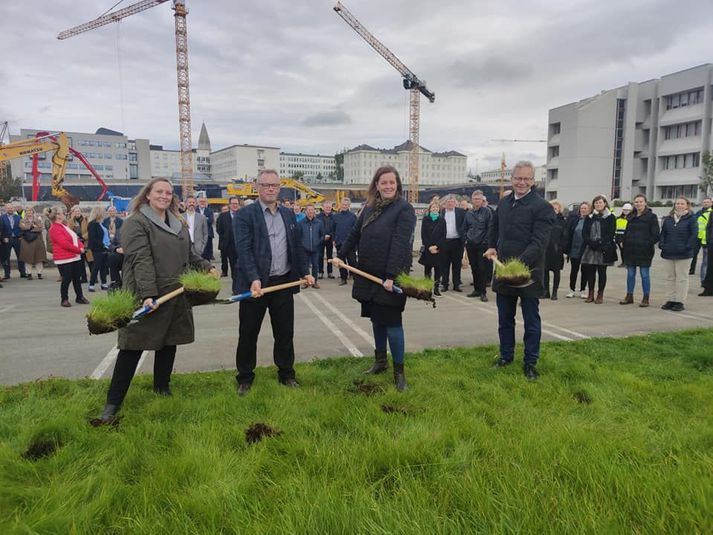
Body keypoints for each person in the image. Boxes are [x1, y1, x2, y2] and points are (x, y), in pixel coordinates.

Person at [95, 178, 217, 424]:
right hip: (145, 293)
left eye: (169, 193)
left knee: (169, 342)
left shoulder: (179, 223)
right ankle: (112, 403)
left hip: (175, 292)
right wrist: (148, 294)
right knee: (132, 347)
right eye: (159, 191)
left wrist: (206, 266)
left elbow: (190, 254)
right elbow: (141, 260)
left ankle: (162, 388)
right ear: (148, 195)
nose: (164, 196)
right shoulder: (136, 222)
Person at [233, 169, 314, 396]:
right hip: (255, 286)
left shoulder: (289, 215)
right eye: (266, 184)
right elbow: (244, 250)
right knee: (248, 333)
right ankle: (245, 377)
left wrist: (305, 272)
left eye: (275, 185)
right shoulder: (244, 215)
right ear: (257, 187)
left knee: (285, 332)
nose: (270, 188)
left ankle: (286, 374)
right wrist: (254, 278)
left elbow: (296, 247)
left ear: (279, 188)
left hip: (282, 284)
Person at [336, 166, 416, 391]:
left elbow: (401, 244)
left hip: (390, 276)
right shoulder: (369, 207)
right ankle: (380, 361)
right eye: (384, 182)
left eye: (392, 182)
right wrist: (340, 255)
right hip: (368, 274)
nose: (388, 186)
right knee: (376, 319)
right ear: (377, 185)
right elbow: (354, 233)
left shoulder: (404, 209)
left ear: (397, 185)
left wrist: (391, 276)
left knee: (392, 322)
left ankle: (399, 372)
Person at [485, 161, 554, 380]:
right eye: (518, 178)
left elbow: (539, 242)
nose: (522, 182)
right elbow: (494, 227)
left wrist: (517, 266)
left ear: (533, 181)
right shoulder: (504, 203)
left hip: (528, 274)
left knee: (531, 320)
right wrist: (491, 245)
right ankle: (506, 357)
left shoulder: (543, 207)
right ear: (511, 179)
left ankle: (530, 362)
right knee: (505, 319)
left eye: (527, 179)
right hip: (504, 272)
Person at [620, 194, 660, 307]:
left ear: (645, 203)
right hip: (631, 250)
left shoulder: (651, 217)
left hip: (644, 250)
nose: (638, 204)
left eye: (640, 202)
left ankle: (646, 297)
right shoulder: (631, 216)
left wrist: (647, 244)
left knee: (644, 274)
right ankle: (629, 295)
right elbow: (626, 232)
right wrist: (624, 241)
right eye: (636, 202)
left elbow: (656, 235)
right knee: (630, 274)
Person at [659, 197, 697, 311]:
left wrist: (687, 247)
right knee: (670, 278)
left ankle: (679, 301)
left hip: (684, 254)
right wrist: (662, 244)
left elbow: (694, 234)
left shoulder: (691, 219)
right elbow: (663, 233)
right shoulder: (669, 219)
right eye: (677, 203)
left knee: (682, 278)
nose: (679, 205)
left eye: (682, 203)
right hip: (668, 253)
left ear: (687, 205)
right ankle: (671, 299)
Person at [47, 206, 90, 307]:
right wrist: (79, 250)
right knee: (66, 279)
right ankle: (64, 299)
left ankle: (79, 297)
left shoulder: (63, 226)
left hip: (74, 256)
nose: (63, 215)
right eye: (61, 213)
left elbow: (76, 238)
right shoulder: (54, 228)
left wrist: (81, 246)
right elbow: (64, 244)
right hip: (64, 258)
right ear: (56, 216)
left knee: (76, 278)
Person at [581, 195, 616, 304]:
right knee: (590, 272)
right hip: (590, 248)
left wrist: (600, 242)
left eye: (600, 202)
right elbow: (584, 232)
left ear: (605, 203)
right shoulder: (589, 217)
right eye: (596, 203)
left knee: (602, 272)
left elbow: (610, 233)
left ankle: (600, 294)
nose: (598, 204)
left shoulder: (610, 217)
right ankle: (590, 293)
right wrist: (591, 242)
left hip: (603, 248)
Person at [462, 190, 492, 301]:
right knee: (474, 268)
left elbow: (490, 228)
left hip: (482, 245)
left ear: (482, 200)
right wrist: (465, 239)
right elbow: (464, 228)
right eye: (475, 199)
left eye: (479, 199)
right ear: (472, 200)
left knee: (482, 268)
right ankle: (476, 289)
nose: (477, 201)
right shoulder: (468, 213)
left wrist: (486, 241)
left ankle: (483, 292)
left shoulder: (487, 212)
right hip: (471, 245)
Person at [419, 199, 446, 296]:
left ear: (439, 209)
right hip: (428, 248)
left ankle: (436, 288)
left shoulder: (442, 220)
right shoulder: (426, 219)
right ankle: (427, 288)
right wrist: (429, 246)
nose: (435, 208)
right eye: (433, 207)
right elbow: (423, 234)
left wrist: (437, 246)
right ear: (430, 209)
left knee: (438, 270)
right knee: (427, 270)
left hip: (438, 249)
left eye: (437, 207)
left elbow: (444, 235)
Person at [564, 201, 591, 298]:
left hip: (585, 250)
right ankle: (571, 289)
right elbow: (569, 233)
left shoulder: (590, 220)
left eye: (585, 208)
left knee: (585, 271)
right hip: (574, 249)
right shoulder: (575, 220)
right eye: (582, 208)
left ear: (589, 210)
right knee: (574, 270)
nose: (583, 210)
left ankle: (583, 290)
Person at [440, 195, 466, 292]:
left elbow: (464, 225)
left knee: (457, 264)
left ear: (455, 203)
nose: (450, 203)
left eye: (452, 201)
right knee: (444, 264)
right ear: (445, 203)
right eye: (448, 202)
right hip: (444, 241)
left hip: (457, 241)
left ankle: (456, 284)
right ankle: (444, 284)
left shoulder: (460, 212)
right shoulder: (441, 212)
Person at [543, 200, 566, 300]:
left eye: (555, 208)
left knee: (556, 272)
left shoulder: (563, 221)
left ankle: (554, 292)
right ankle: (546, 292)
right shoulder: (545, 220)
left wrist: (561, 247)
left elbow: (565, 236)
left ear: (559, 209)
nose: (553, 210)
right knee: (545, 271)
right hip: (546, 249)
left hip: (557, 250)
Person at [333, 197, 357, 286]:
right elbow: (333, 229)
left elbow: (356, 230)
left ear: (349, 206)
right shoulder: (336, 216)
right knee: (341, 262)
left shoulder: (353, 216)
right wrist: (334, 239)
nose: (344, 206)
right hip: (339, 242)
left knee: (352, 261)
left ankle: (356, 278)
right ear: (340, 205)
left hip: (350, 244)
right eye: (343, 204)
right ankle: (343, 278)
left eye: (346, 205)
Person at [18, 206, 47, 280]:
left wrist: (30, 228)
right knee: (27, 258)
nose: (29, 212)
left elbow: (41, 228)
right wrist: (32, 226)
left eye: (30, 211)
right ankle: (29, 274)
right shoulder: (22, 220)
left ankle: (39, 273)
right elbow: (22, 227)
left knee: (39, 257)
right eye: (27, 211)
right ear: (25, 212)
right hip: (27, 241)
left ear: (33, 212)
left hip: (38, 241)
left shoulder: (38, 219)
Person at [299, 204, 324, 288]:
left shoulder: (319, 223)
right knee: (304, 266)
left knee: (315, 265)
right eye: (309, 210)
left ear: (314, 211)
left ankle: (314, 282)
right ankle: (306, 282)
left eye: (312, 210)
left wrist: (318, 242)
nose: (310, 211)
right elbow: (298, 236)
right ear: (305, 211)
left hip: (315, 248)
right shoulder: (301, 223)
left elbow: (322, 235)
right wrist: (302, 245)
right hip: (304, 249)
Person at [1, 202, 27, 279]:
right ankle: (7, 274)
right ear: (5, 209)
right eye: (8, 208)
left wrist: (22, 236)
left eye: (11, 208)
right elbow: (1, 229)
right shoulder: (2, 218)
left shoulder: (18, 217)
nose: (10, 209)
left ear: (14, 209)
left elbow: (23, 227)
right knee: (6, 257)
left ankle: (23, 273)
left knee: (20, 256)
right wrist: (3, 238)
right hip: (6, 239)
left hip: (17, 239)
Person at [87, 206, 110, 291]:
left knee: (104, 267)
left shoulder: (101, 223)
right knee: (95, 267)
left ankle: (104, 283)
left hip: (104, 248)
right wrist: (102, 245)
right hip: (96, 249)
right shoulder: (93, 224)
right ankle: (91, 284)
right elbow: (93, 239)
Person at [216, 196, 240, 277]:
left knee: (236, 264)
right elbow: (219, 229)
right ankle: (226, 272)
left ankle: (236, 277)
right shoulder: (223, 216)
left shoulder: (242, 214)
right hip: (227, 243)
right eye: (233, 204)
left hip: (239, 244)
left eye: (236, 204)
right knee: (227, 260)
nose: (235, 206)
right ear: (229, 205)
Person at [69, 205, 91, 283]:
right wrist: (76, 238)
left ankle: (93, 277)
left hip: (86, 243)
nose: (77, 213)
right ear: (73, 213)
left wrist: (83, 237)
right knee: (80, 263)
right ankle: (84, 278)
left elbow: (90, 230)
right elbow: (69, 231)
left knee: (90, 261)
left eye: (78, 211)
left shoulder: (86, 219)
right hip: (77, 244)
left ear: (81, 212)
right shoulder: (71, 221)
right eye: (75, 211)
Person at [693, 197, 712, 279]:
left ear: (711, 203)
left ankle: (704, 280)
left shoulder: (711, 213)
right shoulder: (698, 213)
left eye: (707, 202)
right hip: (697, 238)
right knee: (693, 255)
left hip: (707, 240)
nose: (706, 203)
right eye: (704, 202)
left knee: (705, 262)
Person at [317, 202, 336, 279]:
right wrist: (324, 235)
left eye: (329, 207)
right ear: (323, 208)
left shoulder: (334, 217)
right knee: (320, 256)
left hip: (330, 239)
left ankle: (330, 272)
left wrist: (330, 235)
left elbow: (334, 228)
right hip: (321, 239)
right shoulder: (318, 217)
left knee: (330, 256)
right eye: (326, 207)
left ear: (331, 208)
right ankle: (320, 272)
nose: (328, 209)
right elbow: (317, 228)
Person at [196, 196, 215, 260]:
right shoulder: (195, 210)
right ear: (197, 202)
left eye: (204, 201)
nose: (202, 203)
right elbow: (194, 221)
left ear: (206, 202)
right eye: (201, 201)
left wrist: (200, 219)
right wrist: (205, 218)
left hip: (208, 234)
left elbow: (210, 221)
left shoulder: (209, 211)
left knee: (207, 253)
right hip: (197, 234)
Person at [615, 203, 632, 267]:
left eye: (627, 210)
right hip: (619, 237)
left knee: (627, 251)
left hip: (627, 237)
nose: (626, 211)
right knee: (622, 251)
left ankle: (628, 263)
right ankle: (623, 262)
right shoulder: (618, 219)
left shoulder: (632, 219)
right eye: (624, 210)